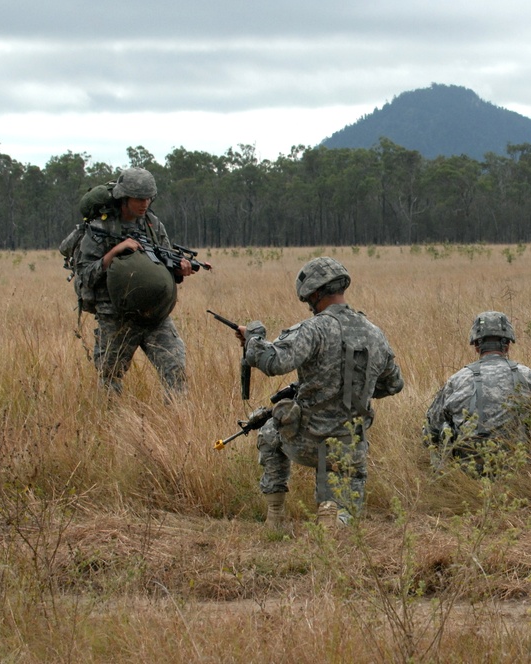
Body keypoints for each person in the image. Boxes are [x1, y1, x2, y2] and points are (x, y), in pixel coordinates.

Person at [237, 257, 404, 529]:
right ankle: (332, 513)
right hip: (350, 447)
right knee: (345, 517)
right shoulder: (375, 334)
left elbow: (273, 362)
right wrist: (357, 390)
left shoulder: (314, 329)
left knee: (269, 429)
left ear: (314, 294)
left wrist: (253, 338)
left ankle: (276, 515)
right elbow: (394, 384)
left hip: (308, 441)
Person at [69, 167, 210, 396]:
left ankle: (178, 423)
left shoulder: (152, 224)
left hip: (153, 312)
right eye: (138, 199)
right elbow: (86, 274)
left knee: (175, 367)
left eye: (148, 198)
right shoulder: (100, 228)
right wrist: (115, 251)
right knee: (110, 375)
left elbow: (162, 261)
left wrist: (179, 269)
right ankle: (110, 424)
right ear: (123, 198)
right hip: (116, 314)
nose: (144, 204)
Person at [424, 311, 531, 475]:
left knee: (443, 430)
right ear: (507, 345)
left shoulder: (457, 379)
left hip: (468, 467)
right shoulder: (526, 375)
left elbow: (430, 430)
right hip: (517, 462)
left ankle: (442, 481)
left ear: (476, 346)